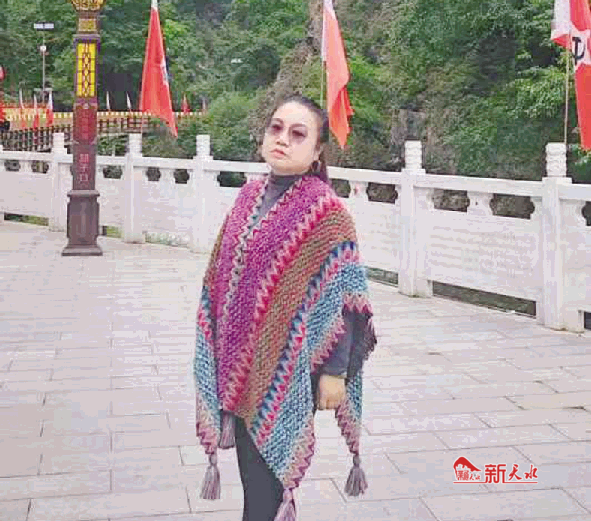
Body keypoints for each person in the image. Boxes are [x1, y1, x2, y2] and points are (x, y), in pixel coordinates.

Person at [193, 94, 377, 521]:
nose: (282, 140)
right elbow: (220, 281)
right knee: (253, 485)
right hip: (238, 366)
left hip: (289, 370)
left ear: (316, 151)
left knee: (266, 492)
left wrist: (335, 372)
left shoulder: (327, 213)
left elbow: (346, 300)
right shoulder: (248, 197)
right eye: (276, 128)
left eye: (297, 134)